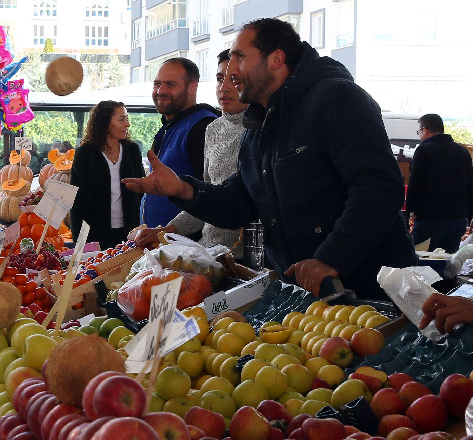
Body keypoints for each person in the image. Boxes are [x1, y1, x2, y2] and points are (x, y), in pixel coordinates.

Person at [122, 18, 417, 299]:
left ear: (275, 60)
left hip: (371, 290)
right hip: (305, 292)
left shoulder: (337, 98)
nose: (231, 71)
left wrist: (331, 258)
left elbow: (379, 188)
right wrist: (183, 189)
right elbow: (241, 202)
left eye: (240, 58)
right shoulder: (260, 120)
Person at [134, 49, 248, 259]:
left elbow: (241, 202)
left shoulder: (260, 129)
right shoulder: (212, 129)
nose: (224, 88)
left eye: (234, 79)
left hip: (244, 260)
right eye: (220, 79)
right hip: (207, 255)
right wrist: (165, 232)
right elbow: (204, 199)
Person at [141, 57, 219, 230]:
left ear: (192, 88)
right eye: (157, 84)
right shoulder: (168, 126)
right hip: (160, 242)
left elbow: (212, 196)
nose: (160, 91)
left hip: (186, 248)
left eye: (170, 84)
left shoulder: (202, 127)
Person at [70, 101, 145, 249]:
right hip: (95, 233)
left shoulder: (132, 150)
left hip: (129, 230)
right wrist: (79, 239)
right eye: (121, 119)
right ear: (105, 122)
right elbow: (77, 200)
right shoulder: (85, 153)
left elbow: (141, 189)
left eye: (127, 119)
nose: (127, 124)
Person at [405, 113, 473, 253]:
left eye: (419, 132)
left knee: (422, 263)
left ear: (425, 130)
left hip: (430, 220)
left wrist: (409, 213)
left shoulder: (423, 150)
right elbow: (470, 186)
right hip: (457, 220)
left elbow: (415, 186)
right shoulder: (463, 152)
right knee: (447, 265)